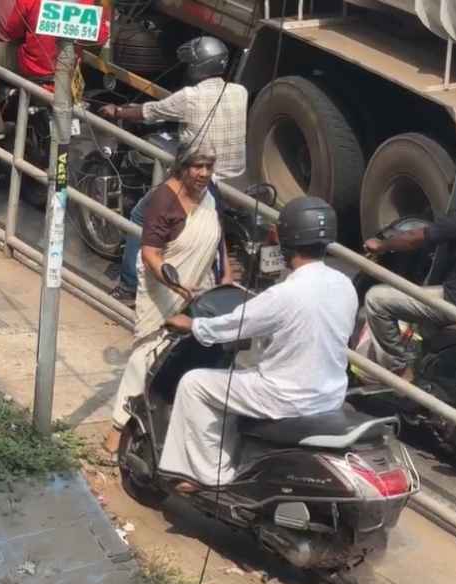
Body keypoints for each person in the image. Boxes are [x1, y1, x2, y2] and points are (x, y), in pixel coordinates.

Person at [159, 197, 357, 491]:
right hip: (328, 394)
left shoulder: (283, 294)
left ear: (286, 240)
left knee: (195, 383)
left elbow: (234, 324)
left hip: (283, 396)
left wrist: (193, 324)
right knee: (239, 375)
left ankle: (210, 475)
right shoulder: (344, 284)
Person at [99, 36, 248, 306]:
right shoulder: (240, 92)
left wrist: (117, 110)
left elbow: (149, 112)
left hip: (201, 181)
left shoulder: (190, 97)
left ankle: (128, 287)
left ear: (197, 67)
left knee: (140, 215)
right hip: (237, 179)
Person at [102, 146, 230, 456]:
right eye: (197, 167)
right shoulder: (163, 199)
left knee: (198, 356)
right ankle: (118, 427)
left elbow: (218, 235)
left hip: (201, 288)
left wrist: (225, 275)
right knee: (145, 357)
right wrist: (175, 284)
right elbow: (150, 254)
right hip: (164, 290)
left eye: (208, 167)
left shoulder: (210, 193)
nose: (202, 173)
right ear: (182, 167)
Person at [0, 0, 110, 187]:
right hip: (66, 76)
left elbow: (9, 31)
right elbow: (101, 36)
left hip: (33, 69)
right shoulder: (87, 2)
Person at [362, 145, 456, 381]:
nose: (455, 179)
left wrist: (381, 245)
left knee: (377, 300)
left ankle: (400, 370)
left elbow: (415, 239)